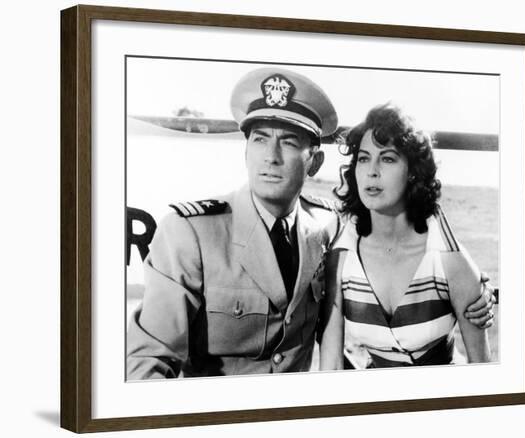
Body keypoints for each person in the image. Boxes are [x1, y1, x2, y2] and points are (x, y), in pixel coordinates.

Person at [127, 69, 495, 379]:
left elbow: (402, 224)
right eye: (259, 139)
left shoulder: (328, 228)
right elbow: (147, 364)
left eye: (287, 142)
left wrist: (474, 290)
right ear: (245, 150)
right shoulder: (189, 232)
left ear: (314, 163)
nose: (270, 157)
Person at [319, 103, 492, 369]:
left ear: (412, 171)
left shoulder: (449, 261)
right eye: (363, 158)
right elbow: (330, 368)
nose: (371, 171)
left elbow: (483, 371)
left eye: (387, 158)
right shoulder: (341, 259)